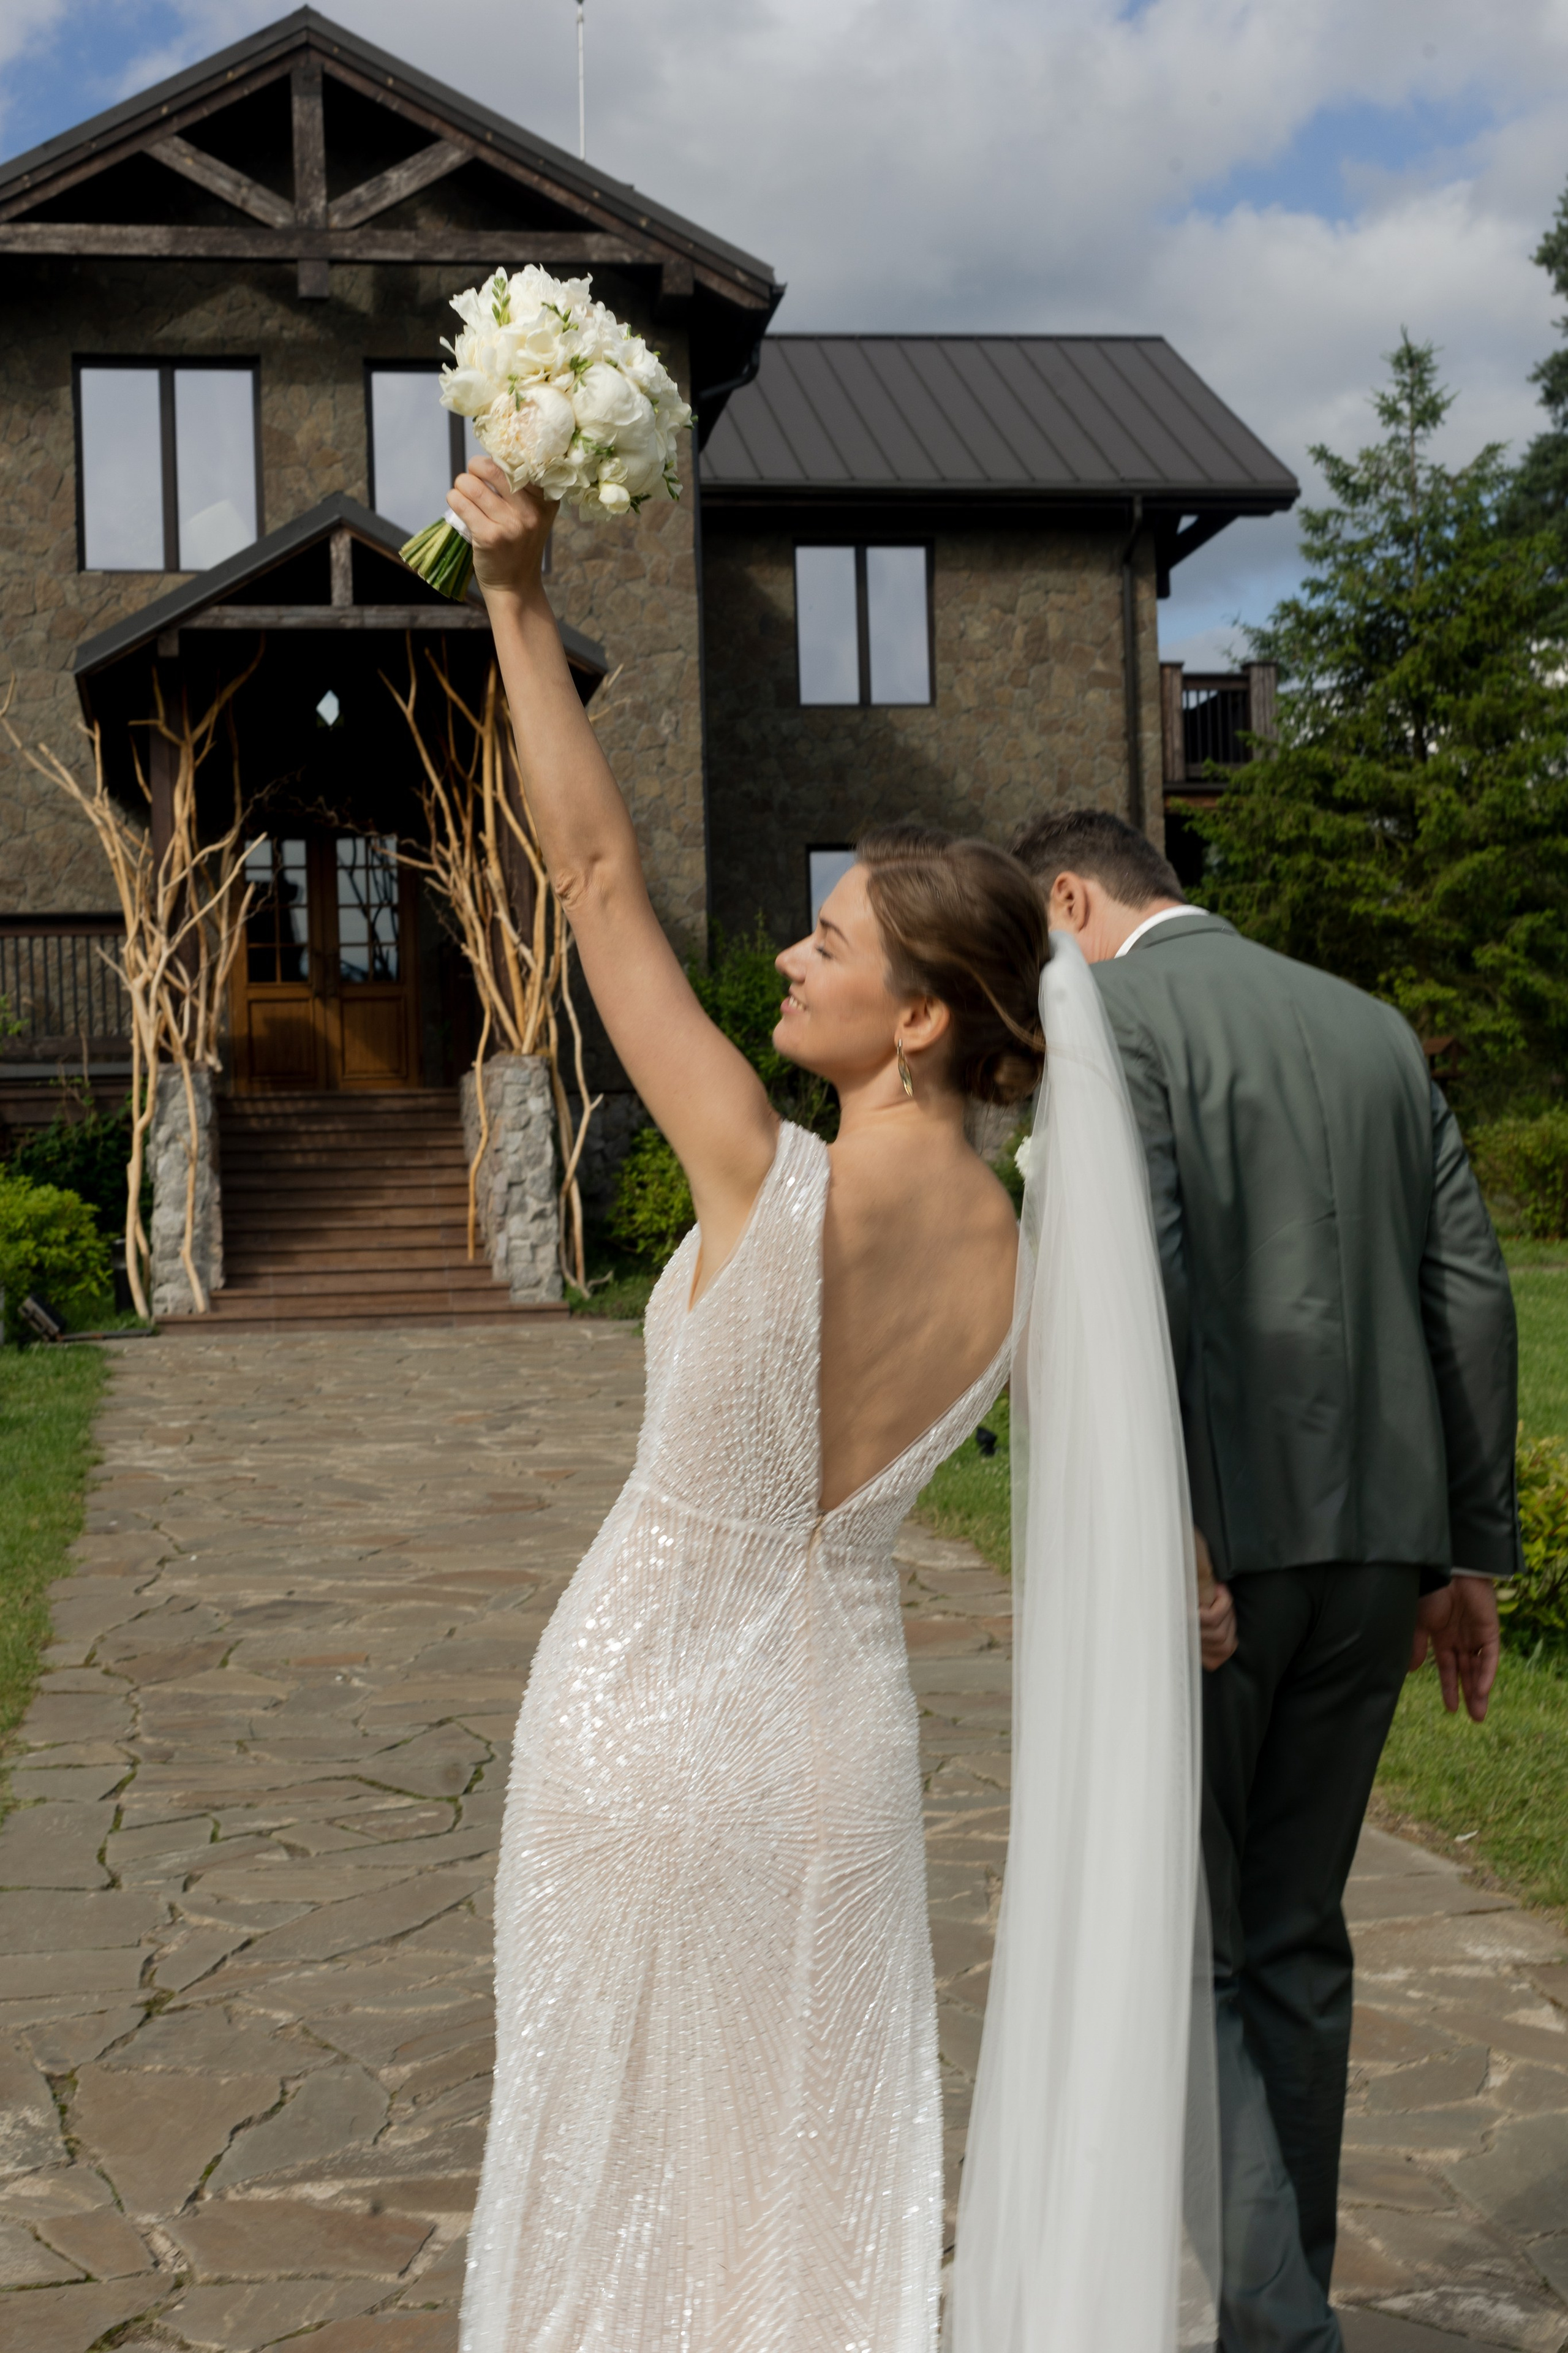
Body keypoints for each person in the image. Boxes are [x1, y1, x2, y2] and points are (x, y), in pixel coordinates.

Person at [450, 450, 1054, 2353]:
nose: (792, 959)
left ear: (925, 1019)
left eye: (831, 942)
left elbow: (595, 874)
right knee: (806, 2160)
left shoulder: (759, 1171)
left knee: (609, 2138)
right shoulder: (1042, 1260)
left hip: (639, 1723)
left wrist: (521, 600)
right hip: (835, 1767)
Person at [1012, 807, 1520, 2353]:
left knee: (1183, 1949)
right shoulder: (1369, 1026)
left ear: (1068, 898)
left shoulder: (1105, 1012)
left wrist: (1162, 1524)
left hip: (1213, 1557)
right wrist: (1464, 1553)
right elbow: (1472, 1292)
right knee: (1293, 1938)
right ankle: (1272, 2310)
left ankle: (1281, 2330)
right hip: (1379, 1545)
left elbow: (1131, 1269)